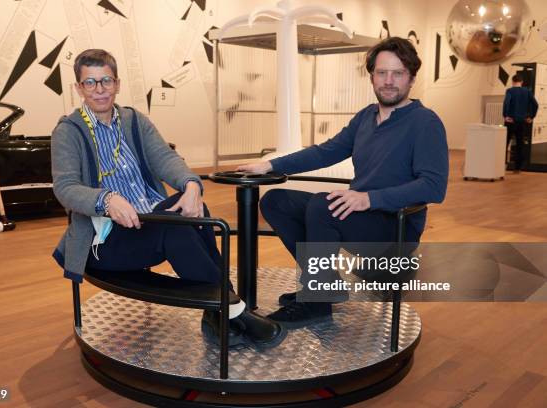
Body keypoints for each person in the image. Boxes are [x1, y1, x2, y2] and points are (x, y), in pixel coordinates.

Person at [51, 49, 286, 347]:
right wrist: (106, 199)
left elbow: (165, 158)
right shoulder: (68, 131)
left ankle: (218, 315)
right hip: (104, 242)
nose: (99, 90)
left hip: (146, 224)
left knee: (195, 210)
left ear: (118, 84)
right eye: (90, 83)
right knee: (176, 227)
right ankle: (234, 312)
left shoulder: (134, 121)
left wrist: (191, 185)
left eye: (106, 81)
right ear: (78, 88)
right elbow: (65, 187)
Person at [238, 37, 449, 328]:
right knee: (276, 201)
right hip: (361, 217)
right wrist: (271, 164)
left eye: (397, 73)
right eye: (381, 72)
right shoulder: (366, 117)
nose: (388, 81)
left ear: (412, 78)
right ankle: (327, 284)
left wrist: (369, 199)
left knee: (323, 206)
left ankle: (317, 303)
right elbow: (326, 151)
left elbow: (433, 187)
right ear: (372, 76)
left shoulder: (425, 122)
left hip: (394, 228)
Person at [503, 74, 538, 172]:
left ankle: (502, 165)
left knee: (505, 143)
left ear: (512, 81)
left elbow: (506, 103)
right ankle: (518, 168)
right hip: (522, 121)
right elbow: (535, 104)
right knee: (520, 144)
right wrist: (531, 117)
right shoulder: (527, 92)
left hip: (511, 121)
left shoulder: (510, 91)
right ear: (521, 82)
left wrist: (506, 116)